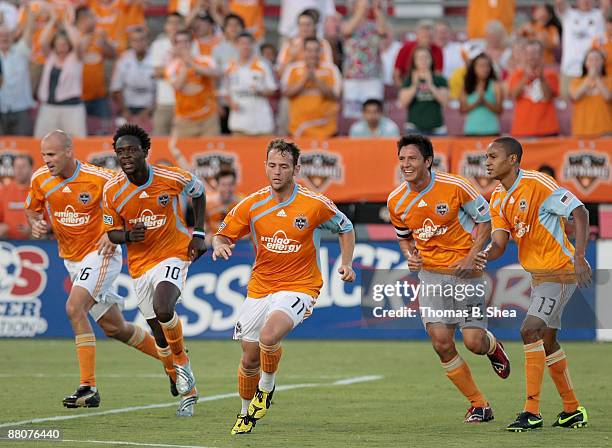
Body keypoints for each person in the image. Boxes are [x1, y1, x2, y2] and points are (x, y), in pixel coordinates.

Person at [212, 138, 356, 434]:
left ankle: (266, 389)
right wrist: (219, 244)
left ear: (296, 169)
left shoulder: (314, 204)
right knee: (249, 356)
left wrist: (347, 262)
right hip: (260, 287)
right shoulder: (252, 204)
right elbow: (223, 234)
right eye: (272, 165)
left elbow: (346, 227)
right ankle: (245, 413)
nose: (277, 172)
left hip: (300, 285)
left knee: (269, 335)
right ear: (265, 166)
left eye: (284, 166)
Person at [25, 130, 161, 409]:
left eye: (51, 155)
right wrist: (35, 223)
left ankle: (88, 386)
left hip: (101, 255)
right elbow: (33, 209)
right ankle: (174, 358)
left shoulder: (100, 178)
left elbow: (128, 198)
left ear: (68, 152)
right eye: (43, 155)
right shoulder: (40, 179)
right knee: (116, 328)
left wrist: (115, 231)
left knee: (74, 308)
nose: (46, 161)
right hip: (72, 261)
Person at [387, 134, 511, 423]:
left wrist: (473, 254)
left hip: (465, 274)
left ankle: (493, 346)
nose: (406, 164)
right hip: (431, 277)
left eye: (412, 158)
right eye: (402, 159)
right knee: (441, 342)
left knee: (474, 343)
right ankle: (479, 404)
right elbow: (403, 236)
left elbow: (485, 220)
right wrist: (410, 254)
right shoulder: (396, 200)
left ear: (428, 161)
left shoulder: (455, 186)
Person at [477, 136, 591, 431]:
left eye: (493, 156)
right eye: (486, 157)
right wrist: (483, 255)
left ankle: (531, 412)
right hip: (539, 276)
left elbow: (580, 212)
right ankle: (572, 410)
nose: (487, 162)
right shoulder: (498, 198)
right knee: (547, 341)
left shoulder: (538, 184)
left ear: (512, 160)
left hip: (560, 271)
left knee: (530, 330)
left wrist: (579, 256)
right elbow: (500, 243)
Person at [102, 124, 207, 417]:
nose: (126, 155)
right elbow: (111, 233)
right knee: (158, 335)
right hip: (139, 266)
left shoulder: (169, 177)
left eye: (132, 149)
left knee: (164, 308)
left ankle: (184, 369)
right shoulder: (112, 190)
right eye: (120, 151)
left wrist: (199, 233)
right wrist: (127, 237)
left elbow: (199, 192)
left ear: (146, 151)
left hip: (173, 253)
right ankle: (173, 373)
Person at [34, 10, 87, 138]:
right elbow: (42, 41)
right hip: (49, 107)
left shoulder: (75, 58)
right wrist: (52, 20)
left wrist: (66, 23)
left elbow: (78, 43)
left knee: (77, 142)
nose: (61, 46)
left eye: (64, 43)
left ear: (69, 45)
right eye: (58, 43)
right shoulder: (51, 57)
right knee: (41, 140)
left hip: (72, 108)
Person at [282, 37, 342, 138]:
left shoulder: (331, 69)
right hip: (299, 130)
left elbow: (335, 95)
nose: (313, 54)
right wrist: (304, 81)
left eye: (316, 50)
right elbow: (286, 93)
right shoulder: (293, 69)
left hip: (326, 130)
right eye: (309, 50)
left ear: (320, 52)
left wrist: (316, 80)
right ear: (304, 52)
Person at [166, 28, 220, 137]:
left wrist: (192, 64)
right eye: (179, 42)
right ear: (175, 45)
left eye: (186, 41)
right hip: (184, 119)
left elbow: (215, 73)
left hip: (208, 118)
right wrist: (186, 65)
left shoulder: (205, 60)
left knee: (209, 153)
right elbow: (177, 86)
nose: (183, 45)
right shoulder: (172, 66)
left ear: (192, 43)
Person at [340, 0, 389, 118]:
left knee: (375, 113)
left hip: (373, 77)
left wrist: (377, 10)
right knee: (352, 115)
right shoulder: (346, 23)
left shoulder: (373, 25)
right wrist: (361, 10)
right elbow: (346, 31)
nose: (365, 7)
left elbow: (383, 32)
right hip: (352, 78)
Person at [223, 31, 277, 135]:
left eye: (248, 43)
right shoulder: (229, 67)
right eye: (242, 43)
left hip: (262, 122)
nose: (245, 46)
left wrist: (259, 91)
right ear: (236, 45)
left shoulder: (262, 65)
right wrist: (231, 104)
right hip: (239, 123)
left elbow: (273, 89)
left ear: (253, 45)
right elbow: (224, 92)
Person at [556, 0, 609, 97]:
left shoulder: (599, 15)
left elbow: (607, 4)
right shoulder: (568, 14)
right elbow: (559, 2)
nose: (585, 1)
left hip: (593, 70)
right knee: (567, 102)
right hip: (569, 69)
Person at [508, 40, 559, 137]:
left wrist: (542, 78)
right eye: (528, 53)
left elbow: (548, 97)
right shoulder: (517, 75)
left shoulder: (551, 75)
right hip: (522, 130)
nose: (531, 56)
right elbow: (514, 95)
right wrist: (525, 77)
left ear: (541, 56)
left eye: (534, 53)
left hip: (547, 129)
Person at [110, 28, 156, 129]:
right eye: (135, 40)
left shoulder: (155, 58)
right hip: (127, 107)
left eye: (142, 39)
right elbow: (116, 88)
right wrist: (124, 110)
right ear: (130, 42)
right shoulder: (123, 59)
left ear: (148, 40)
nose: (139, 43)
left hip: (150, 108)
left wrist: (150, 110)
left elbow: (160, 89)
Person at [398, 46, 449, 135]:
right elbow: (403, 103)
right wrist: (414, 85)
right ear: (414, 61)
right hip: (414, 128)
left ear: (431, 60)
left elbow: (445, 102)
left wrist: (431, 85)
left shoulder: (439, 79)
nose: (423, 61)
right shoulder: (409, 80)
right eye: (419, 58)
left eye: (426, 57)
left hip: (437, 128)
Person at [0, 5, 34, 136]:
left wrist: (29, 7)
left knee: (23, 150)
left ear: (13, 36)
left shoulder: (21, 52)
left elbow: (30, 30)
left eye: (7, 35)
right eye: (1, 35)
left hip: (20, 110)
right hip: (1, 109)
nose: (4, 37)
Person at [151, 12, 184, 136]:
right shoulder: (158, 45)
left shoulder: (191, 44)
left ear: (184, 25)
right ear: (165, 26)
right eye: (171, 23)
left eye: (178, 23)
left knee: (182, 142)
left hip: (185, 103)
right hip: (164, 101)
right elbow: (157, 72)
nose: (174, 26)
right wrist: (176, 61)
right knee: (160, 141)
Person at [569, 48, 612, 136]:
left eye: (597, 59)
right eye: (591, 59)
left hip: (605, 131)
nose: (594, 63)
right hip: (581, 132)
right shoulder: (577, 81)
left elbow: (608, 97)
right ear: (585, 63)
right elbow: (575, 97)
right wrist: (589, 79)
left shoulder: (609, 80)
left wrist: (596, 78)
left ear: (603, 62)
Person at [460, 52, 503, 136]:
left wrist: (485, 101)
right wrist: (477, 102)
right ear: (474, 68)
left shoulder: (496, 85)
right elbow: (462, 109)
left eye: (487, 66)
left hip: (491, 130)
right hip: (471, 130)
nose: (485, 69)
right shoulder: (467, 86)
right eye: (481, 66)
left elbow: (499, 110)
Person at [393, 19, 443, 87]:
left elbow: (437, 74)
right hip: (407, 84)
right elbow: (397, 73)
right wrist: (403, 89)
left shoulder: (438, 50)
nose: (427, 35)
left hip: (430, 85)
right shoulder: (406, 48)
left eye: (429, 35)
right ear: (417, 34)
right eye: (424, 34)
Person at [204, 169, 243, 246]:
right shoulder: (207, 203)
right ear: (217, 185)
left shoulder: (242, 203)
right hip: (212, 245)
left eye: (230, 184)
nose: (227, 189)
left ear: (235, 184)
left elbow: (248, 232)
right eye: (224, 185)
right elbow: (204, 226)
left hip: (237, 245)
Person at [0, 155, 33, 239]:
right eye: (16, 166)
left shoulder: (40, 192)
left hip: (34, 242)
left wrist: (34, 228)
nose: (19, 170)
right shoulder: (3, 191)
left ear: (31, 169)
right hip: (8, 243)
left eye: (23, 166)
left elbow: (49, 223)